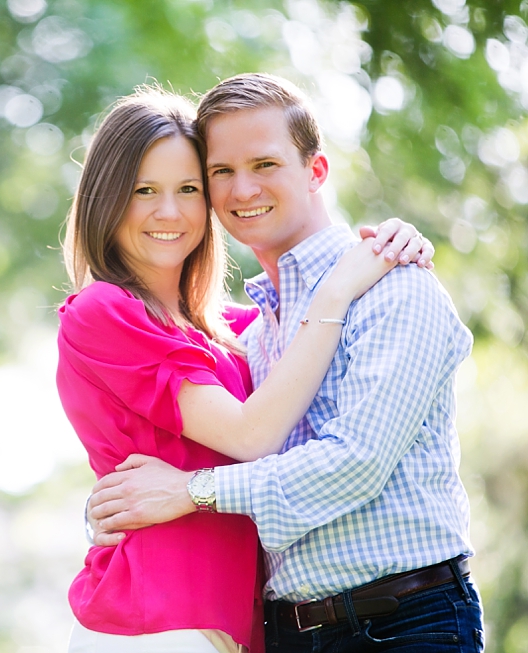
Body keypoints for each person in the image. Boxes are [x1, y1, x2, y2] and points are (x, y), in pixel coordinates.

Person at [87, 73, 483, 653]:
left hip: (403, 624)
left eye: (265, 165)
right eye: (221, 172)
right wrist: (116, 504)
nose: (242, 190)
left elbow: (357, 461)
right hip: (287, 634)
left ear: (316, 171)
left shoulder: (394, 288)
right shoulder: (257, 329)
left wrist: (191, 491)